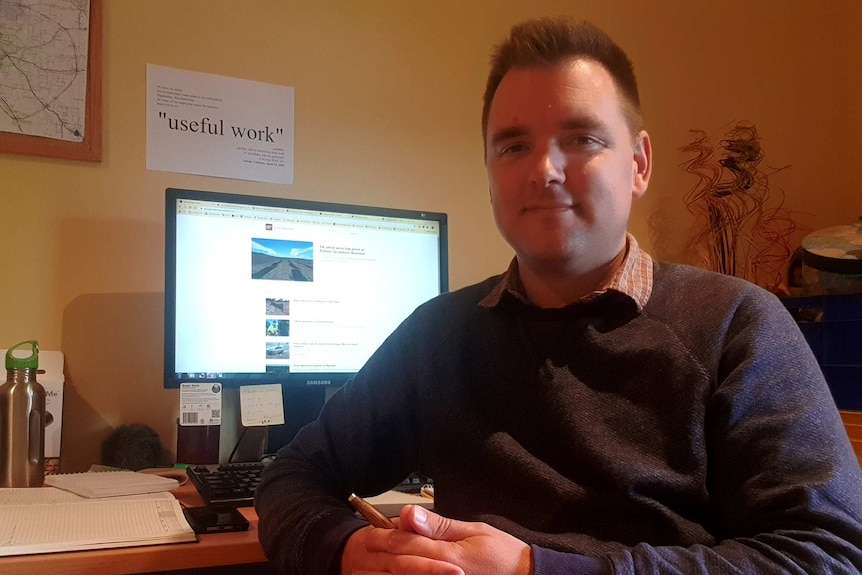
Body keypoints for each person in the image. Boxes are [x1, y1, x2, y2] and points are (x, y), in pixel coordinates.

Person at [255, 17, 862, 575]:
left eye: (582, 139)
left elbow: (826, 555)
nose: (543, 168)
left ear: (640, 163)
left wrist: (535, 570)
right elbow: (291, 476)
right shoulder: (439, 335)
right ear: (491, 171)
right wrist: (348, 550)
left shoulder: (737, 325)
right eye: (514, 145)